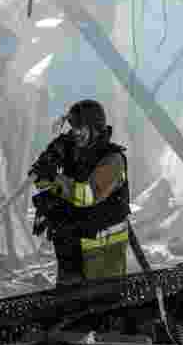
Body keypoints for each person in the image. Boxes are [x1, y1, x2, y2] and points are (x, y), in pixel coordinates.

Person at [29, 99, 131, 286]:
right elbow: (43, 184)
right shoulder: (74, 153)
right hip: (71, 248)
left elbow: (87, 195)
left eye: (80, 127)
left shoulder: (113, 160)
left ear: (95, 128)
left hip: (102, 254)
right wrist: (45, 166)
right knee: (68, 301)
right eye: (73, 127)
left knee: (103, 301)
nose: (75, 132)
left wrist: (54, 178)